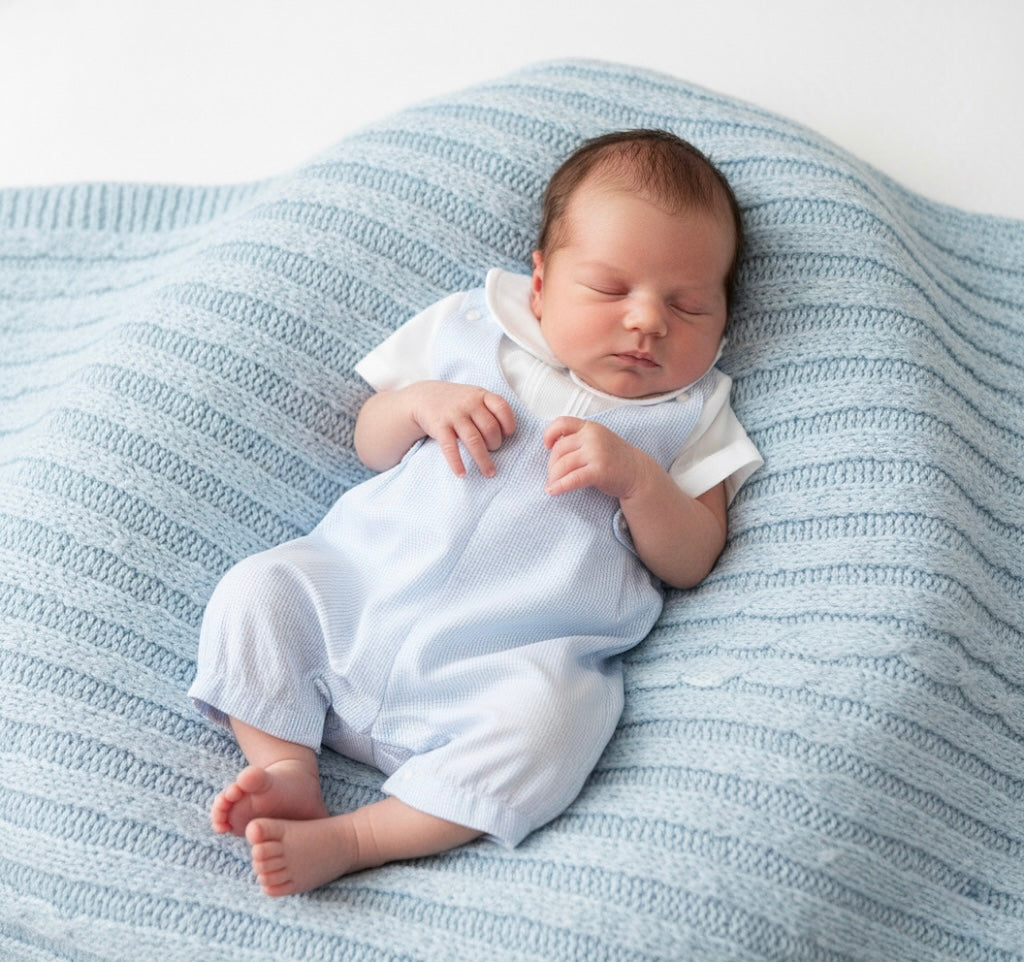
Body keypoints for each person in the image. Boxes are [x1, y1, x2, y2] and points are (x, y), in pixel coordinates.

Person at [189, 129, 763, 896]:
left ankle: (360, 835)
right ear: (540, 283)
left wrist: (638, 483)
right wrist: (421, 404)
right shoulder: (471, 326)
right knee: (259, 588)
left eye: (689, 304)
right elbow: (370, 440)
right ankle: (284, 765)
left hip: (504, 663)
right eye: (610, 289)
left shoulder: (693, 415)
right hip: (355, 596)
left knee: (558, 722)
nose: (647, 321)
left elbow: (694, 557)